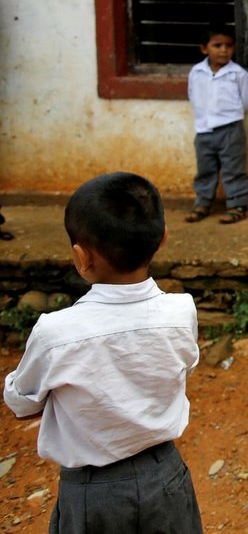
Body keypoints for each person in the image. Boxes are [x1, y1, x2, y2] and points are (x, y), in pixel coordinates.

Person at [3, 172, 203, 531]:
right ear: (162, 239)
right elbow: (178, 369)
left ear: (81, 257)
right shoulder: (181, 311)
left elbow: (21, 403)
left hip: (92, 493)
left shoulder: (55, 333)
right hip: (166, 477)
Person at [186, 24, 248, 225]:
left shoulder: (238, 74)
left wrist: (229, 116)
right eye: (217, 45)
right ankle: (203, 203)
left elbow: (247, 100)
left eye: (228, 46)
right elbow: (193, 95)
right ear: (204, 49)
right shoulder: (196, 72)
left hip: (230, 128)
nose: (224, 50)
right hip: (204, 129)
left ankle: (237, 205)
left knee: (233, 168)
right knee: (205, 169)